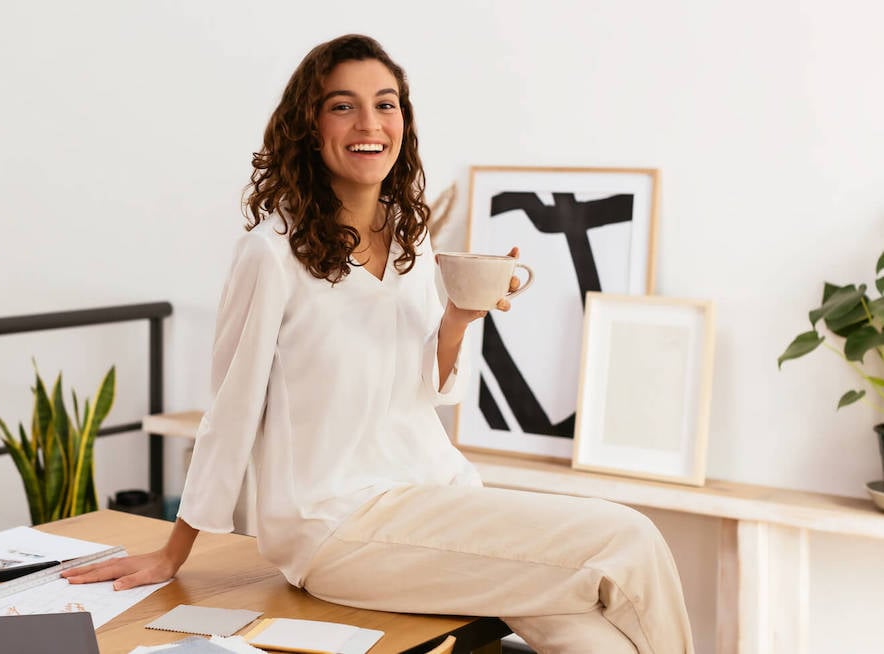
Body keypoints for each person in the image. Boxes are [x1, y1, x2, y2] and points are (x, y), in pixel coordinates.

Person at [64, 34, 694, 654]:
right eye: (343, 105)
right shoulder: (270, 253)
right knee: (628, 538)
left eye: (385, 103)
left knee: (594, 639)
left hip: (437, 497)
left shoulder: (413, 242)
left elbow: (430, 389)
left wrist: (458, 319)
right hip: (336, 527)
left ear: (403, 121)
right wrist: (176, 550)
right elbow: (232, 408)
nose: (369, 121)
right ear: (309, 126)